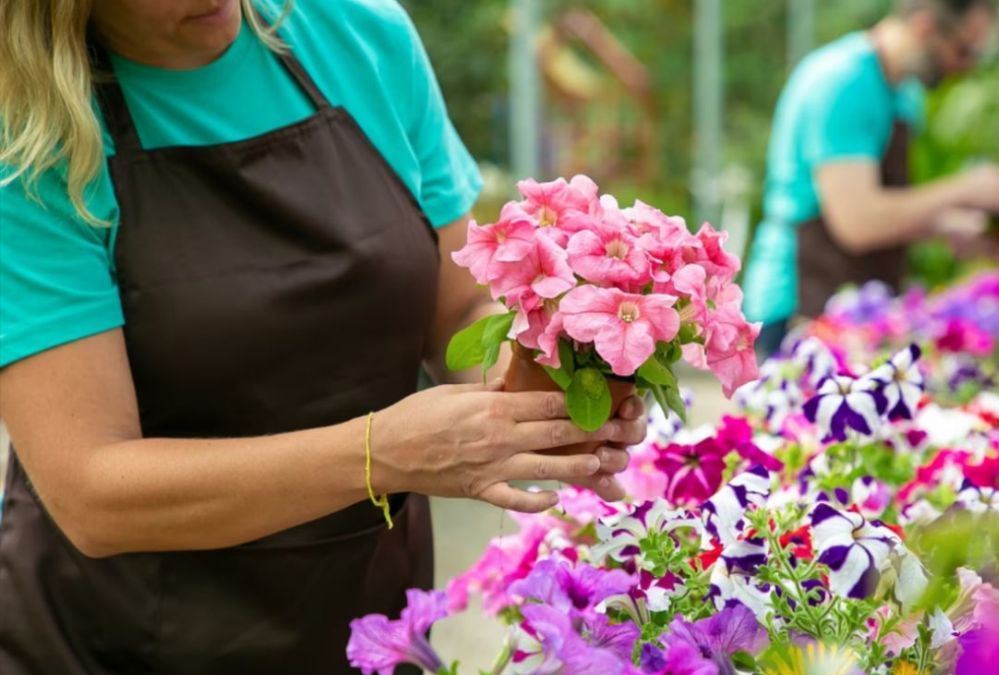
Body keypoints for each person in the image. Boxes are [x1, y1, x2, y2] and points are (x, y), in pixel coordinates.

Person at [0, 1, 645, 672]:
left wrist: (545, 391)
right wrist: (380, 454)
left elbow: (459, 307)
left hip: (363, 627)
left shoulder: (359, 36)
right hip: (122, 644)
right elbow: (93, 493)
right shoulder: (25, 134)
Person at [744, 0, 999, 357]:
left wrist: (943, 224)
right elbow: (859, 222)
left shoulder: (903, 91)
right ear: (925, 27)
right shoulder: (843, 82)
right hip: (797, 306)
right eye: (965, 50)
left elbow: (881, 206)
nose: (966, 67)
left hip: (850, 307)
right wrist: (964, 189)